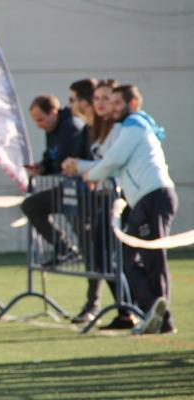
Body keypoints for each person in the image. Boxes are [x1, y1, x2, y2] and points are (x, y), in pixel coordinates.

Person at [84, 84, 177, 334]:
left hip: (153, 197)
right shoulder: (129, 126)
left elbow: (112, 160)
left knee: (152, 259)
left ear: (133, 104)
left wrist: (90, 175)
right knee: (128, 259)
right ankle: (153, 312)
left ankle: (163, 320)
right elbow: (111, 163)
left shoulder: (134, 124)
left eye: (117, 103)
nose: (112, 108)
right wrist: (89, 170)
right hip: (144, 200)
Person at [63, 79, 138, 328]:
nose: (101, 104)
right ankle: (125, 309)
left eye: (107, 99)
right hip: (103, 197)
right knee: (102, 258)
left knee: (116, 258)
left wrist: (81, 167)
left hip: (119, 198)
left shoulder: (120, 127)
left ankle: (131, 310)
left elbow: (109, 165)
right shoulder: (98, 127)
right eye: (98, 99)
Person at [20, 94, 82, 266]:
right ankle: (64, 249)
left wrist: (48, 167)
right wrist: (41, 168)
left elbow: (63, 163)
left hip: (81, 191)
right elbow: (51, 159)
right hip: (69, 189)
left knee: (94, 251)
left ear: (53, 112)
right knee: (31, 205)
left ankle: (65, 249)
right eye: (35, 121)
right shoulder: (52, 130)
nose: (39, 125)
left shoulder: (70, 127)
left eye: (41, 119)